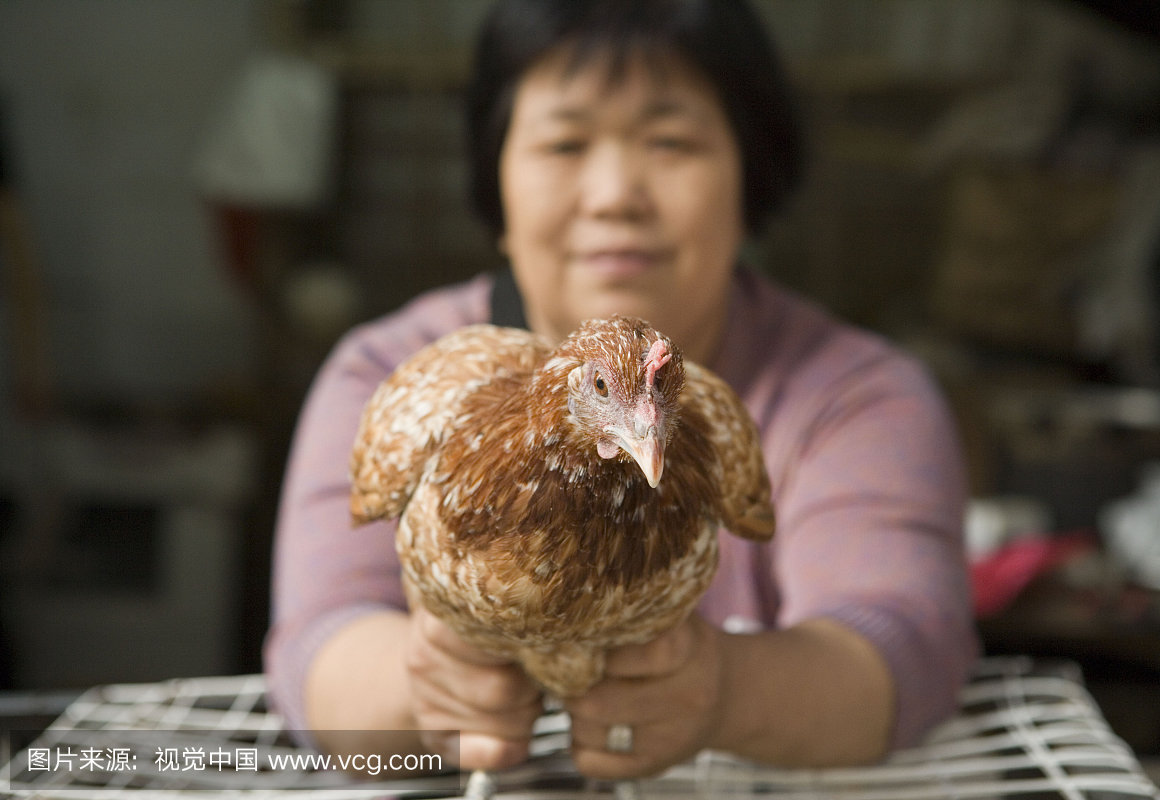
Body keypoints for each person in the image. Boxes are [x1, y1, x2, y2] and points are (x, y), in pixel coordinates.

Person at [265, 0, 978, 782]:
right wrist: (424, 686)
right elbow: (316, 645)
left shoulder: (854, 395)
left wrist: (725, 691)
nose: (614, 195)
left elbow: (908, 646)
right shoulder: (395, 373)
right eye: (564, 143)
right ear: (497, 183)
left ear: (749, 176)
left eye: (670, 142)